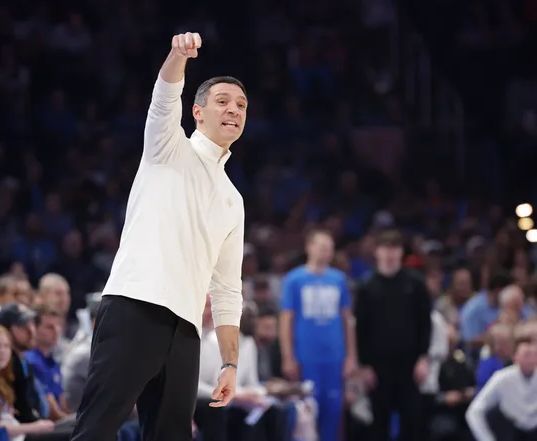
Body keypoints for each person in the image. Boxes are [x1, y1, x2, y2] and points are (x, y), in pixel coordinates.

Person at [71, 31, 247, 441]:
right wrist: (177, 55)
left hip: (186, 329)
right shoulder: (167, 147)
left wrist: (230, 364)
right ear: (198, 112)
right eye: (222, 101)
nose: (233, 110)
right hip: (135, 307)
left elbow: (226, 290)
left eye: (241, 105)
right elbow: (165, 95)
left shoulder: (234, 200)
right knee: (96, 429)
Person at [279, 229, 357, 441]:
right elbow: (286, 321)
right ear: (309, 247)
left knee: (333, 413)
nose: (326, 252)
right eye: (322, 247)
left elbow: (347, 321)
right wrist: (288, 357)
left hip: (334, 358)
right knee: (305, 415)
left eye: (330, 248)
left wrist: (351, 357)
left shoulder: (339, 280)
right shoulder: (294, 280)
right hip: (305, 357)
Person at [355, 230, 432, 441]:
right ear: (377, 252)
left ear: (401, 253)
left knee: (413, 422)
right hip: (378, 366)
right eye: (385, 249)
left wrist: (423, 358)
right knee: (379, 422)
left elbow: (425, 323)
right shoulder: (366, 286)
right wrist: (364, 365)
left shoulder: (415, 284)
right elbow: (360, 328)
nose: (390, 254)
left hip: (410, 363)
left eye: (394, 249)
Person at [466, 339, 537, 441]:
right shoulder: (502, 378)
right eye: (527, 355)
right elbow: (474, 411)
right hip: (508, 431)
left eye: (535, 355)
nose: (531, 359)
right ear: (515, 357)